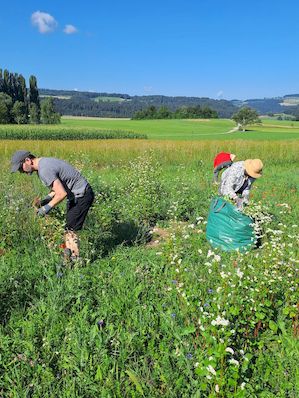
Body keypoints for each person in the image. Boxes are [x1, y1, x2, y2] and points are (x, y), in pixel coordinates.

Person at [10, 150, 94, 262]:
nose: (21, 171)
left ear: (27, 160)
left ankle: (76, 260)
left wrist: (45, 209)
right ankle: (70, 257)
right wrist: (46, 199)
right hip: (76, 195)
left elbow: (61, 193)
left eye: (21, 168)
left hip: (81, 195)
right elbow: (57, 189)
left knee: (71, 229)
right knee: (69, 228)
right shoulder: (45, 163)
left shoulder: (44, 169)